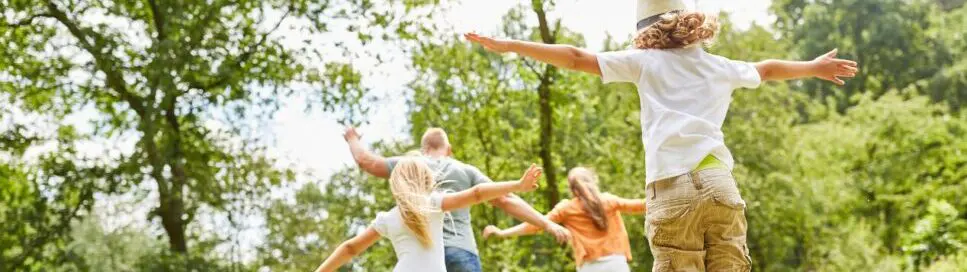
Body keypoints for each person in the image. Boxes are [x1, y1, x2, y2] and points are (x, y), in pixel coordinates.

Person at [464, 0, 858, 270]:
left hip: (672, 190)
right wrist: (812, 65)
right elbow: (768, 68)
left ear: (647, 32)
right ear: (690, 25)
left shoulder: (644, 63)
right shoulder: (718, 65)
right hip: (721, 185)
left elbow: (573, 56)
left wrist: (509, 45)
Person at [343, 127, 571, 272]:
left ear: (423, 148)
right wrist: (546, 223)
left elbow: (366, 162)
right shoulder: (465, 170)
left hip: (422, 258)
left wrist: (352, 137)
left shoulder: (408, 166)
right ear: (448, 149)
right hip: (461, 253)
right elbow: (505, 199)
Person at [315, 159, 544, 272]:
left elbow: (350, 248)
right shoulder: (433, 203)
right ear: (427, 182)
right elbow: (476, 193)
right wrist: (517, 184)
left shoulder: (387, 218)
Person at [482, 167, 645, 272]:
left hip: (589, 268)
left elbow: (536, 224)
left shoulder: (567, 208)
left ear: (572, 188)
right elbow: (641, 205)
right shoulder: (609, 201)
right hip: (616, 265)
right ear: (592, 182)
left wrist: (503, 232)